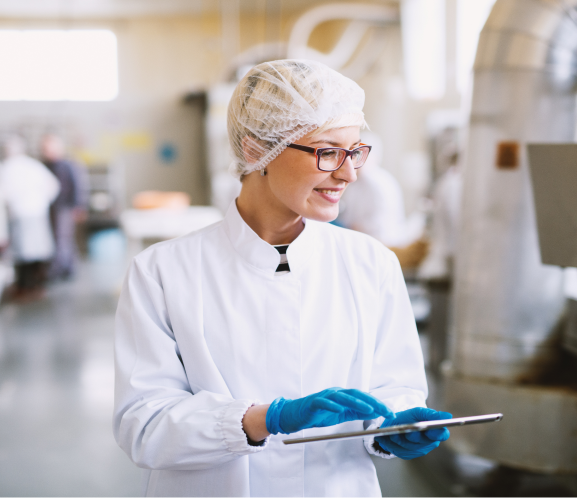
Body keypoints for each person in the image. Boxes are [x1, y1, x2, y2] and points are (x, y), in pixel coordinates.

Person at [114, 60, 451, 498]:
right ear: (256, 151)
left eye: (354, 151)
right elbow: (144, 425)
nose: (348, 173)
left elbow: (396, 389)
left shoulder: (370, 264)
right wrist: (265, 419)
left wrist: (397, 426)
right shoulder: (162, 272)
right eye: (327, 151)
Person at [0, 135, 60, 300]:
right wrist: (43, 202)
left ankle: (25, 288)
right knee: (39, 251)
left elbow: (3, 193)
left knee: (22, 254)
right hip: (38, 213)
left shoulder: (7, 167)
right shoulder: (34, 165)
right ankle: (36, 286)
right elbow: (53, 185)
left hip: (19, 214)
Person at [40, 134, 88, 280]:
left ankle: (61, 269)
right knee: (60, 239)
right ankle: (65, 267)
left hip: (66, 207)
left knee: (63, 238)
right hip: (52, 208)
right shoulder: (45, 165)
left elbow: (78, 186)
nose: (46, 152)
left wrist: (79, 207)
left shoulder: (68, 165)